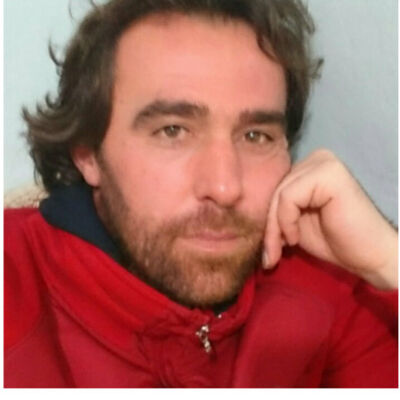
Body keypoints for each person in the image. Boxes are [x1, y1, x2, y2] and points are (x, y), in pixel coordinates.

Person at [4, 0, 398, 388]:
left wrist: (387, 261)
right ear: (88, 153)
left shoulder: (330, 286)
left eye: (255, 136)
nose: (224, 188)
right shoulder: (14, 281)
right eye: (173, 131)